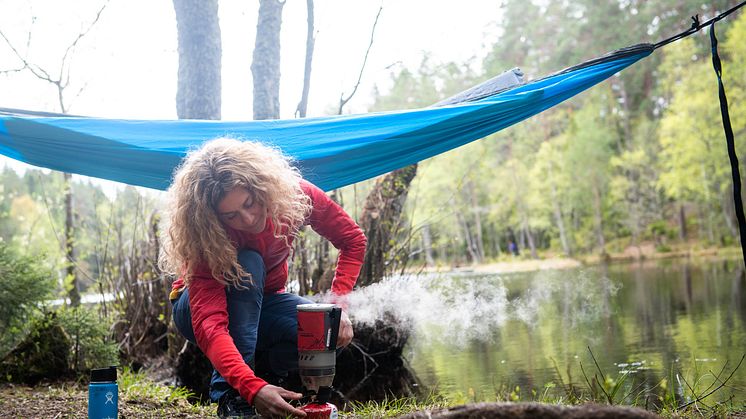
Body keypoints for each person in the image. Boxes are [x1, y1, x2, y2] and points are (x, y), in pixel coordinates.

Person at [160, 138, 367, 418]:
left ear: (261, 186)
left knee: (323, 334)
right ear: (214, 218)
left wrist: (338, 307)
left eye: (249, 203)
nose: (247, 219)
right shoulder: (206, 239)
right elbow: (211, 325)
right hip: (195, 311)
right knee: (248, 263)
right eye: (231, 215)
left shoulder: (296, 196)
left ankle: (269, 381)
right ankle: (234, 398)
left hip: (263, 304)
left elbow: (352, 241)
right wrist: (249, 388)